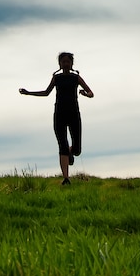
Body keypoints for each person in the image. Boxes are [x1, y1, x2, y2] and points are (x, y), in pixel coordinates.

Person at [19, 52, 94, 185]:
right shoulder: (56, 78)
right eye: (63, 61)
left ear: (71, 64)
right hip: (59, 114)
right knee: (62, 145)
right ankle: (66, 178)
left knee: (77, 150)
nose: (65, 64)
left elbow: (91, 92)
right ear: (59, 64)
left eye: (68, 61)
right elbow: (46, 93)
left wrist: (85, 94)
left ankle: (71, 153)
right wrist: (28, 93)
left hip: (74, 114)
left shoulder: (76, 77)